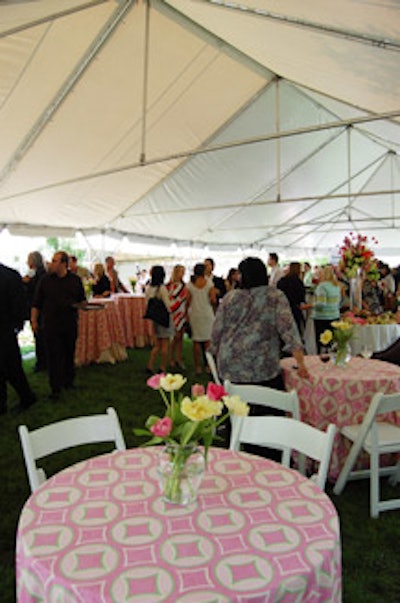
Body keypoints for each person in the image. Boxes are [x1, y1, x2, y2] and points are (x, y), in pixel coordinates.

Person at [210, 257, 308, 388]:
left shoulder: (230, 297)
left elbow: (216, 331)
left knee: (234, 406)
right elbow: (289, 330)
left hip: (229, 367)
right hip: (263, 369)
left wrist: (214, 353)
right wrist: (301, 363)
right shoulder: (275, 296)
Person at [31, 251, 87, 400]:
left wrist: (78, 305)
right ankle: (55, 388)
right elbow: (36, 302)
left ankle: (68, 381)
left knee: (69, 354)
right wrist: (34, 320)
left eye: (55, 261)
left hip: (69, 323)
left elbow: (82, 301)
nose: (51, 263)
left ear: (63, 264)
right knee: (53, 357)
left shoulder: (75, 280)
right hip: (50, 324)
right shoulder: (45, 280)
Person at [0, 262, 37, 414]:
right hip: (8, 328)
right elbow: (21, 303)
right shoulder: (11, 274)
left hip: (5, 329)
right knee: (8, 366)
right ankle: (5, 402)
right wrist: (18, 324)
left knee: (11, 367)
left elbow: (19, 303)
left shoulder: (8, 275)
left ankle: (27, 397)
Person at [187, 263, 217, 375]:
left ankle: (197, 367)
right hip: (207, 314)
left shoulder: (190, 284)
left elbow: (188, 301)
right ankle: (209, 366)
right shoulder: (209, 283)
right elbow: (213, 300)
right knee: (208, 343)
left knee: (196, 342)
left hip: (195, 314)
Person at [22, 251, 47, 372]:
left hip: (39, 309)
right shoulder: (38, 273)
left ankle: (42, 363)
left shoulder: (38, 275)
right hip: (39, 309)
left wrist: (25, 283)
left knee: (40, 336)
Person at [145, 265, 173, 374]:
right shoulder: (162, 288)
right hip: (164, 318)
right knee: (165, 345)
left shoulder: (149, 288)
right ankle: (162, 367)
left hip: (155, 318)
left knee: (157, 345)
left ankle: (150, 365)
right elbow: (168, 305)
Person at [311, 265, 342, 354]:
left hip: (322, 317)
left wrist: (310, 305)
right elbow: (339, 301)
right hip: (335, 316)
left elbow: (321, 304)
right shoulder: (336, 286)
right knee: (332, 343)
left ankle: (321, 363)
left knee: (322, 344)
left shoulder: (321, 287)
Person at [277, 261, 307, 338]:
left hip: (282, 308)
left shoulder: (282, 281)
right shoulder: (298, 282)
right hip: (295, 309)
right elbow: (301, 297)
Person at [167, 264, 188, 370]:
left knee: (180, 338)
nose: (182, 274)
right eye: (180, 271)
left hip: (182, 313)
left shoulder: (184, 285)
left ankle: (178, 358)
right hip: (173, 313)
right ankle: (171, 358)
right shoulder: (169, 286)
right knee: (174, 338)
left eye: (183, 271)